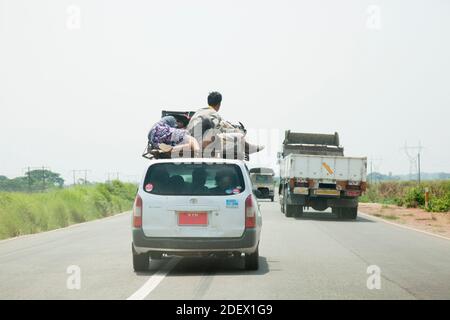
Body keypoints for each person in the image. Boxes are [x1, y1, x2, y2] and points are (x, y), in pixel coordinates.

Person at [186, 92, 264, 157]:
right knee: (239, 136)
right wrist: (237, 131)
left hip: (191, 142)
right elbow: (220, 129)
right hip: (201, 143)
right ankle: (248, 148)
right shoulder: (212, 113)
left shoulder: (199, 112)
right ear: (219, 104)